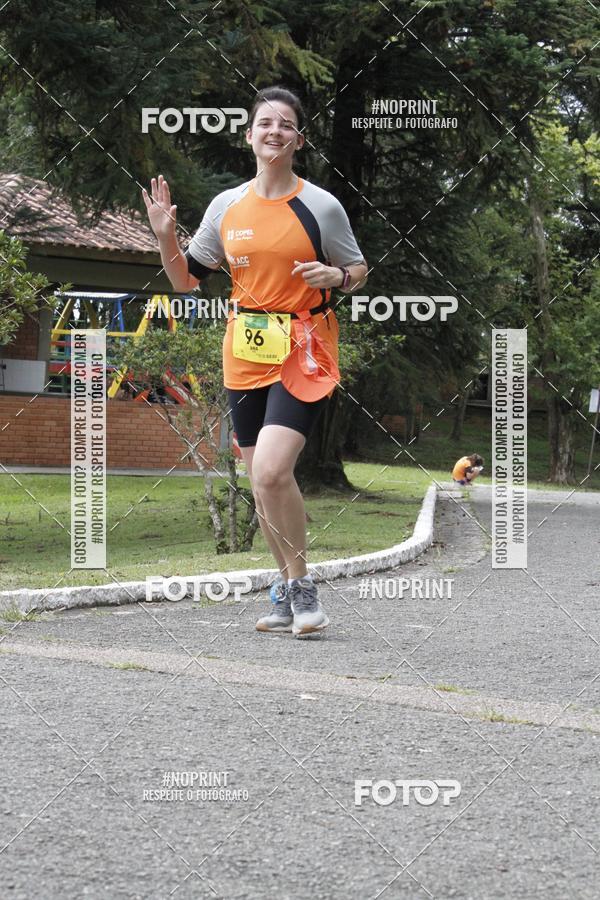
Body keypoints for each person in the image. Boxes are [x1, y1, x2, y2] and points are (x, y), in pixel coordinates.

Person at [142, 86, 368, 637]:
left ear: (299, 140)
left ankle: (304, 586)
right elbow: (186, 281)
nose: (274, 131)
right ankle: (287, 591)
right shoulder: (226, 206)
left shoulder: (321, 206)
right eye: (264, 123)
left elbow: (358, 268)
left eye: (285, 124)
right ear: (249, 135)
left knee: (271, 469)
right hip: (244, 351)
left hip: (306, 347)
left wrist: (335, 277)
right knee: (259, 481)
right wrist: (166, 237)